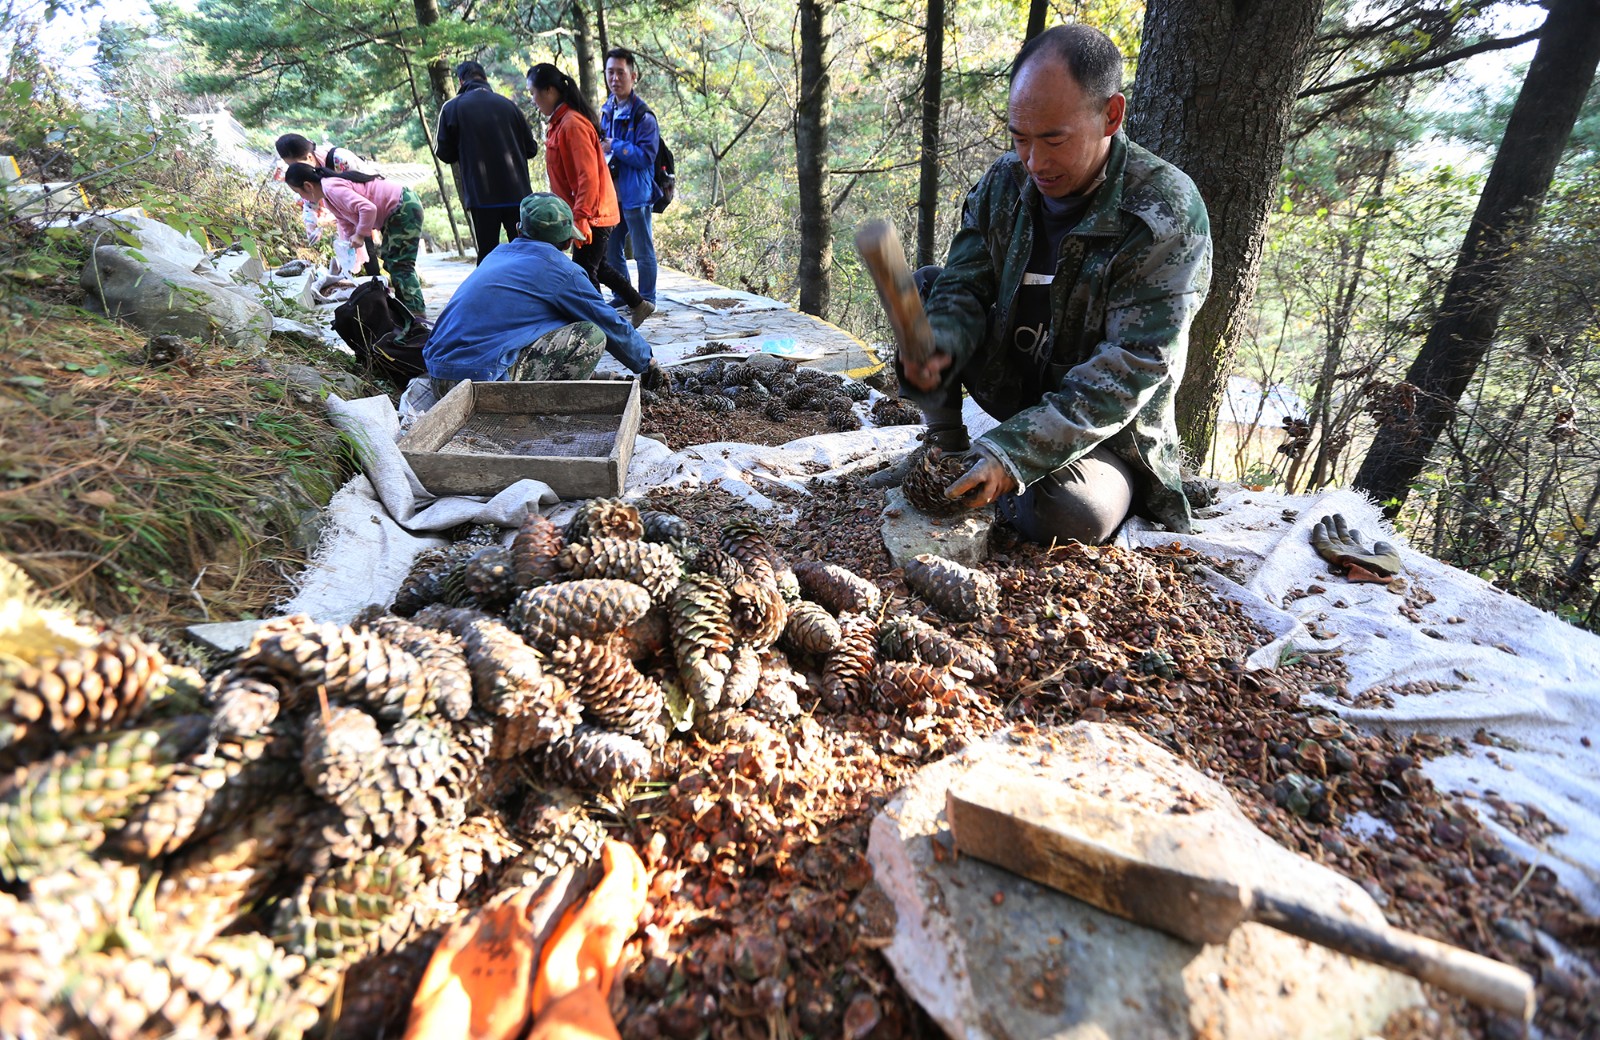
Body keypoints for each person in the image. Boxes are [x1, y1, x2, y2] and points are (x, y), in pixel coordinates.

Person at [890, 24, 1211, 545]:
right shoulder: (1005, 181)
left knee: (1073, 512)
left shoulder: (1165, 213)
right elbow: (962, 284)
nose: (1035, 162)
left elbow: (1136, 364)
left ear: (1111, 115)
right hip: (1014, 389)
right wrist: (940, 344)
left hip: (1105, 433)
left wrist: (1013, 453)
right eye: (1020, 139)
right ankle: (946, 454)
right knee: (927, 290)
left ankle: (992, 474)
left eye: (1054, 139)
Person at [423, 193, 667, 390]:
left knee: (556, 319)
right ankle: (548, 403)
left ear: (519, 230)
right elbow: (607, 322)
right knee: (590, 335)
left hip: (439, 376)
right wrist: (648, 362)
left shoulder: (496, 255)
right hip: (477, 382)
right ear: (568, 242)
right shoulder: (562, 272)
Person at [526, 62, 654, 329]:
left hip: (593, 213)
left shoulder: (572, 123)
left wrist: (581, 217)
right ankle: (639, 304)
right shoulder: (559, 123)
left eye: (534, 93)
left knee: (584, 274)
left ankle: (603, 329)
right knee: (600, 266)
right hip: (584, 211)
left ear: (549, 91)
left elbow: (588, 177)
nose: (533, 100)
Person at [283, 163, 428, 317]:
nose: (301, 197)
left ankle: (416, 315)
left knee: (400, 264)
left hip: (402, 206)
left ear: (307, 186)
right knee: (391, 262)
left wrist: (360, 235)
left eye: (298, 192)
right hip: (396, 210)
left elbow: (368, 208)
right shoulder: (328, 196)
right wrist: (348, 250)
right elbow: (346, 223)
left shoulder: (332, 188)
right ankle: (407, 311)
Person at [434, 61, 540, 264]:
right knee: (525, 253)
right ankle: (528, 293)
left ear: (460, 80)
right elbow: (531, 149)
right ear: (485, 78)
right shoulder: (509, 106)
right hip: (518, 195)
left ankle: (489, 294)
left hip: (481, 196)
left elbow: (444, 153)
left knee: (487, 256)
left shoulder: (452, 107)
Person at [599, 47, 660, 307]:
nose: (615, 78)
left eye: (620, 73)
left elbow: (647, 156)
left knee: (643, 251)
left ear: (633, 75)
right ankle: (624, 296)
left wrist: (615, 146)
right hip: (612, 194)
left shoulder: (643, 115)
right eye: (610, 72)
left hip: (636, 193)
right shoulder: (607, 109)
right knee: (612, 250)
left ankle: (647, 299)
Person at [274, 133, 379, 276]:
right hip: (352, 215)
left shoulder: (339, 160)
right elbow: (309, 200)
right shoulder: (308, 175)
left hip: (375, 207)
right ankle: (377, 287)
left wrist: (361, 229)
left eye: (294, 164)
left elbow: (371, 187)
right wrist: (311, 227)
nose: (294, 169)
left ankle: (390, 291)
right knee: (362, 251)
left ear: (309, 157)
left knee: (390, 257)